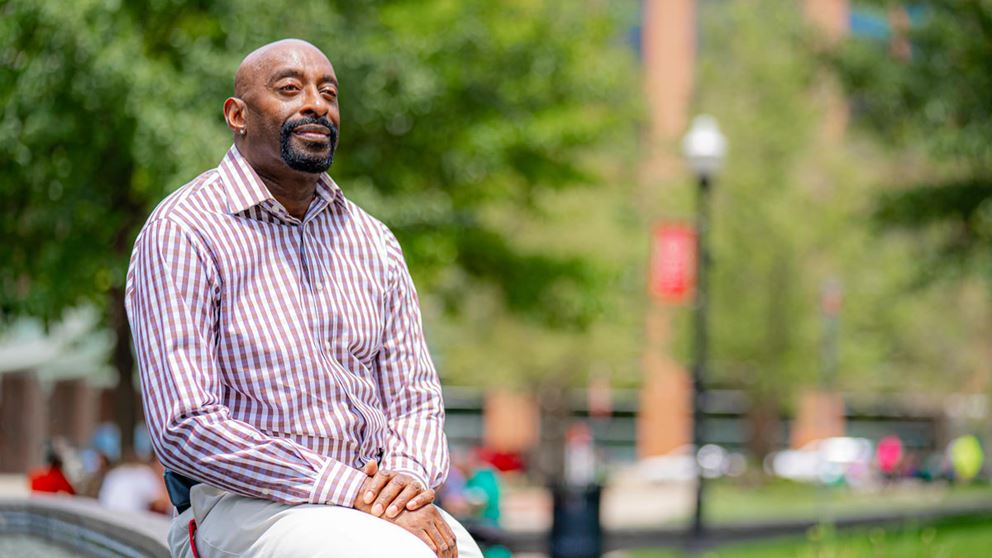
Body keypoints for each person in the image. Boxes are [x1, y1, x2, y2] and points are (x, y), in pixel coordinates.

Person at [125, 38, 480, 558]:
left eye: (329, 93)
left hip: (370, 502)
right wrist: (348, 489)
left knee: (463, 553)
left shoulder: (372, 240)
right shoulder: (184, 230)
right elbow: (185, 426)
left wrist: (404, 482)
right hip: (244, 505)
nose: (316, 103)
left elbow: (415, 398)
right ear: (237, 115)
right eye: (290, 89)